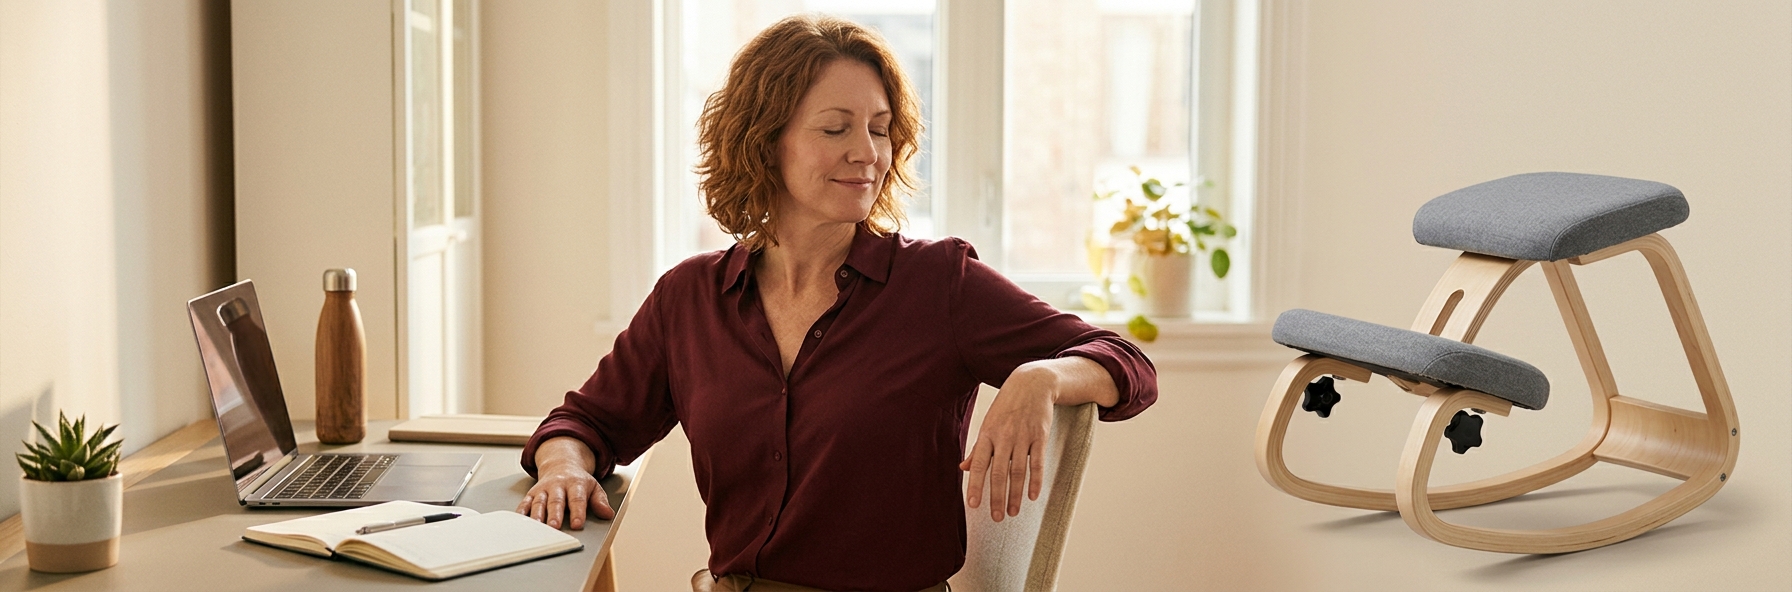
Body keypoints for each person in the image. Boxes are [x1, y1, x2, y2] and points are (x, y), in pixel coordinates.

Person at [517, 14, 1156, 592]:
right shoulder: (690, 298)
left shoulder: (938, 284)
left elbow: (1127, 363)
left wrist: (1041, 376)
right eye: (835, 128)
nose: (867, 153)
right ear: (765, 141)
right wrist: (563, 468)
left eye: (880, 129)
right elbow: (586, 422)